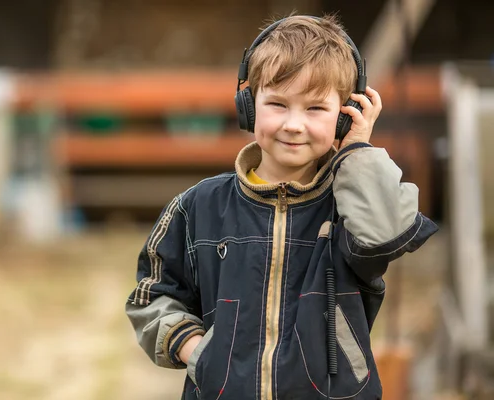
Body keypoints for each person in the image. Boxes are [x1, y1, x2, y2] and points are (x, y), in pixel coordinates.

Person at [125, 13, 438, 400]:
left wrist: (357, 150)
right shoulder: (198, 207)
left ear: (344, 116)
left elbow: (387, 233)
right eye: (277, 104)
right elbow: (153, 295)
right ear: (248, 105)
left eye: (315, 109)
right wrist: (201, 353)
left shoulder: (351, 207)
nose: (293, 124)